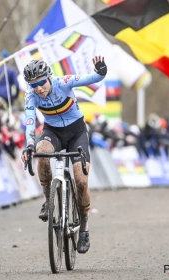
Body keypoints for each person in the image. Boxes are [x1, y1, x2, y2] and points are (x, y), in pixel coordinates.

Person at [20, 56, 107, 254]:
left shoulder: (64, 82)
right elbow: (30, 121)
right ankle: (48, 200)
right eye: (34, 85)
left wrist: (101, 71)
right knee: (41, 154)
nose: (39, 88)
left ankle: (84, 229)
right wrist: (30, 145)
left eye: (42, 82)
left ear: (49, 77)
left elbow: (91, 79)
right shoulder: (31, 96)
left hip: (77, 133)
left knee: (81, 181)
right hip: (52, 132)